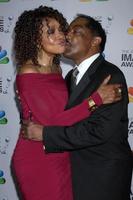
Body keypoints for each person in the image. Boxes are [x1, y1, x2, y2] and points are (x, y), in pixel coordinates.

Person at [24, 15, 133, 200]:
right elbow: (66, 118)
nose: (67, 35)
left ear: (95, 41)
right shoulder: (69, 78)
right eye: (68, 31)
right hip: (73, 174)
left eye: (76, 31)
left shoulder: (110, 75)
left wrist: (46, 134)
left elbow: (98, 130)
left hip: (102, 177)